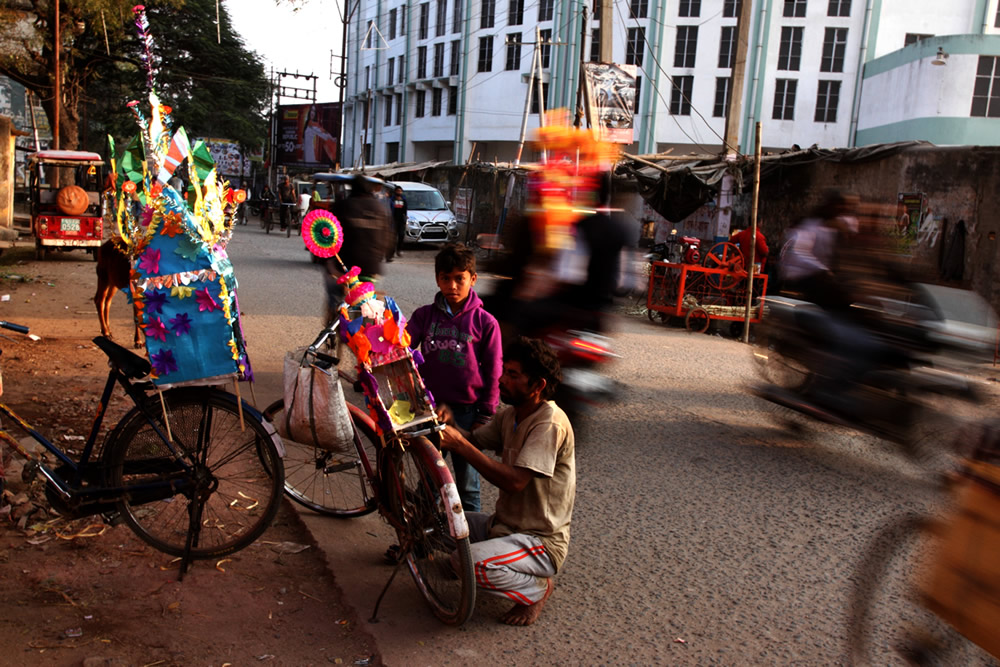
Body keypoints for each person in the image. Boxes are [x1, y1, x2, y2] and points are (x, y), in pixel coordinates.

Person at [437, 336, 575, 626]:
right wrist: (449, 425)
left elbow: (514, 482)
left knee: (464, 562)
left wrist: (460, 446)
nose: (501, 380)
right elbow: (472, 439)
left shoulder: (549, 422)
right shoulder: (511, 414)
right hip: (502, 526)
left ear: (537, 386)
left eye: (513, 375)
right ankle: (490, 560)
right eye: (504, 371)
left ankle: (537, 589)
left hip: (539, 540)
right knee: (432, 523)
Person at [408, 245, 503, 513]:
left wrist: (485, 414)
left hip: (467, 414)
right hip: (430, 411)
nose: (452, 285)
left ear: (473, 279)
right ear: (437, 279)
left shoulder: (485, 323)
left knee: (468, 485)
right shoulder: (424, 316)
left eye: (459, 278)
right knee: (428, 481)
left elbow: (494, 370)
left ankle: (472, 549)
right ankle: (419, 541)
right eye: (446, 278)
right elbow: (402, 346)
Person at [322, 176, 392, 323]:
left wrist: (327, 262)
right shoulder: (380, 208)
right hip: (371, 270)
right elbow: (389, 239)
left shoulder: (343, 206)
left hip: (344, 269)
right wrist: (382, 257)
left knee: (333, 292)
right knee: (371, 299)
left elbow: (329, 235)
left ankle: (332, 325)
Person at [386, 185, 408, 262]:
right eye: (398, 191)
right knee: (393, 238)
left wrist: (405, 218)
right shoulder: (391, 200)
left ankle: (399, 249)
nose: (399, 192)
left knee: (401, 235)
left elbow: (405, 210)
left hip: (401, 221)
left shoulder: (404, 200)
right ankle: (390, 253)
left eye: (400, 191)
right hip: (393, 220)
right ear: (395, 191)